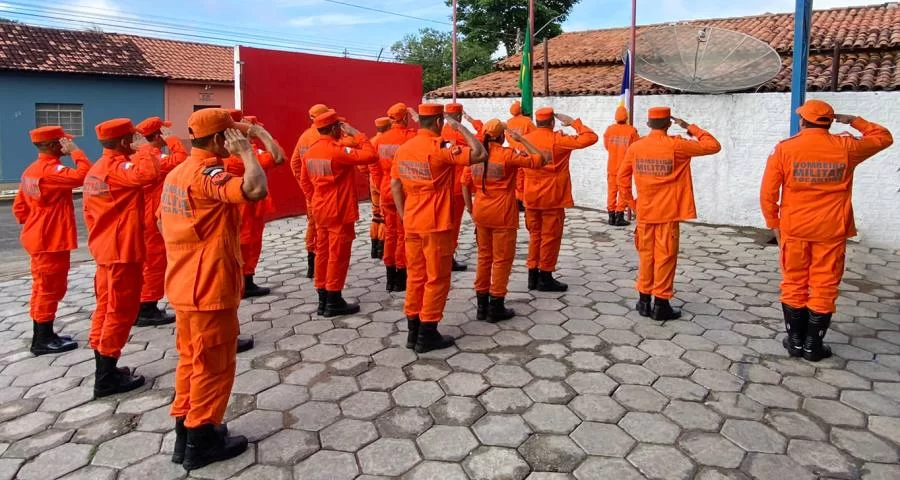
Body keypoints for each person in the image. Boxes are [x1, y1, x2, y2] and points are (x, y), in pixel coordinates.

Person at [160, 108, 267, 470]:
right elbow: (255, 188)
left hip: (183, 281)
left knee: (191, 360)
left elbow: (161, 222)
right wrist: (248, 154)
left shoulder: (176, 173)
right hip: (209, 285)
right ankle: (201, 440)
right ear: (221, 139)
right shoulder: (209, 174)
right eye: (232, 135)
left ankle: (184, 431)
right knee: (214, 364)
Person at [760, 99, 892, 362]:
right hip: (831, 229)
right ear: (830, 122)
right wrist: (854, 119)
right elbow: (883, 137)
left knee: (794, 282)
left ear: (802, 121)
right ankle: (812, 346)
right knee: (824, 284)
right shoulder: (846, 147)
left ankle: (794, 341)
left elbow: (767, 193)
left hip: (795, 228)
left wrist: (773, 224)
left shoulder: (785, 149)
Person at [392, 103, 487, 353]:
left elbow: (395, 185)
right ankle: (428, 334)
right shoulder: (439, 148)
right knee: (436, 278)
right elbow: (479, 154)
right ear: (437, 123)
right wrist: (461, 128)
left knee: (416, 276)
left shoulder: (404, 149)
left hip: (412, 221)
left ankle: (413, 331)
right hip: (435, 223)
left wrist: (404, 216)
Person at [618, 107, 721, 321]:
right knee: (665, 257)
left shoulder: (637, 147)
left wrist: (633, 204)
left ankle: (644, 300)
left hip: (645, 211)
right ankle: (661, 304)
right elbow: (713, 146)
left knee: (646, 256)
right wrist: (689, 127)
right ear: (668, 124)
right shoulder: (676, 145)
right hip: (667, 213)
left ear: (648, 125)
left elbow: (622, 178)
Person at [83, 118, 159, 398]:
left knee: (105, 308)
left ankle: (106, 368)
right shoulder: (117, 168)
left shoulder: (96, 169)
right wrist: (146, 148)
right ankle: (106, 378)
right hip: (120, 251)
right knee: (119, 311)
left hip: (106, 249)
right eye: (133, 137)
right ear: (126, 141)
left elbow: (88, 214)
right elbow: (148, 174)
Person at [461, 119, 549, 322]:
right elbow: (540, 159)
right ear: (502, 136)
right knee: (501, 259)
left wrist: (470, 208)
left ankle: (481, 306)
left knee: (484, 257)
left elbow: (464, 184)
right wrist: (522, 140)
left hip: (481, 212)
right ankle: (496, 306)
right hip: (502, 214)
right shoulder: (507, 155)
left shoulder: (475, 155)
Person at [13, 126, 90, 356]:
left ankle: (44, 334)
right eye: (64, 142)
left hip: (39, 236)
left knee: (42, 287)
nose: (66, 144)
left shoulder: (31, 170)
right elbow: (85, 174)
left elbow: (19, 208)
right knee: (49, 288)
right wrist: (77, 152)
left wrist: (37, 221)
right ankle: (42, 339)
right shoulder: (51, 171)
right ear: (53, 145)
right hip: (50, 240)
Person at [301, 110, 378, 317]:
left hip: (320, 208)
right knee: (337, 254)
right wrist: (358, 134)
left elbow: (305, 182)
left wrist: (316, 198)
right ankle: (334, 299)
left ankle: (323, 297)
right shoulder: (336, 151)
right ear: (335, 128)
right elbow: (371, 155)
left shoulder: (310, 152)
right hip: (338, 209)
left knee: (322, 252)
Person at [522, 107, 599, 292]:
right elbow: (591, 137)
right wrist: (574, 122)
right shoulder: (558, 140)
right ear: (553, 122)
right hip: (552, 196)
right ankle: (545, 276)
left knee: (535, 235)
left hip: (531, 195)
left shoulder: (525, 139)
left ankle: (532, 275)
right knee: (550, 237)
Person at [223, 113, 284, 299]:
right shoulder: (239, 158)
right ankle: (242, 284)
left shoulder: (240, 153)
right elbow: (278, 157)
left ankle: (245, 281)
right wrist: (263, 135)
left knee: (250, 245)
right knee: (245, 246)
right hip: (244, 210)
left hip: (249, 209)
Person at [134, 117, 188, 327]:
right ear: (157, 136)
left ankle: (144, 304)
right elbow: (182, 158)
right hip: (151, 217)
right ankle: (146, 308)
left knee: (150, 263)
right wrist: (173, 140)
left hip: (145, 215)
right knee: (154, 264)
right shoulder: (155, 157)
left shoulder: (140, 156)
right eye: (163, 134)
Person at [371, 103, 417, 292]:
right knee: (402, 234)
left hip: (385, 188)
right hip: (403, 190)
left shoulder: (379, 140)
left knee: (390, 233)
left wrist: (380, 186)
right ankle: (400, 273)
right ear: (405, 117)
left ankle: (390, 274)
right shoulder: (411, 137)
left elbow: (373, 167)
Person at [442, 102, 484, 272]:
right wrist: (473, 121)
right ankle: (448, 256)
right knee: (454, 224)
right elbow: (482, 136)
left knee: (443, 222)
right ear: (459, 116)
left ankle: (441, 254)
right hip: (458, 187)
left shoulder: (440, 132)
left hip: (442, 186)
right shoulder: (461, 135)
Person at [291, 104, 331, 278]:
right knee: (328, 230)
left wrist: (306, 187)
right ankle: (324, 267)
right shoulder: (328, 136)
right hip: (329, 192)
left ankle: (312, 264)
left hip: (312, 192)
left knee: (313, 225)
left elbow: (295, 164)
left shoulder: (304, 137)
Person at [603, 106, 640, 226]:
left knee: (611, 191)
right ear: (627, 117)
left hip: (612, 166)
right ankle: (619, 216)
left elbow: (607, 146)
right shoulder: (632, 131)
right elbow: (636, 149)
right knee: (624, 191)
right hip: (625, 168)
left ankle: (611, 217)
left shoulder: (609, 130)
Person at [365, 117, 391, 259]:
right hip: (385, 182)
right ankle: (382, 248)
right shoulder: (388, 141)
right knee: (384, 217)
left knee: (376, 215)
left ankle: (374, 248)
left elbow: (362, 164)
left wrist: (369, 176)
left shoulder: (371, 141)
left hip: (373, 182)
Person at [507, 101, 536, 213]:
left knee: (517, 177)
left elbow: (508, 138)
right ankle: (524, 200)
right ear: (520, 110)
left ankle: (517, 200)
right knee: (525, 177)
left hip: (513, 153)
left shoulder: (508, 123)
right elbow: (535, 135)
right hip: (525, 152)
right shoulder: (527, 121)